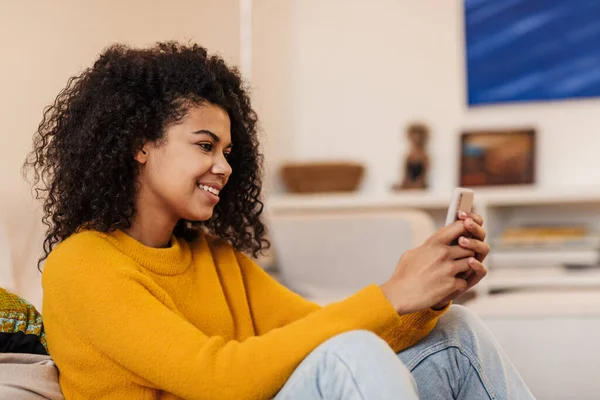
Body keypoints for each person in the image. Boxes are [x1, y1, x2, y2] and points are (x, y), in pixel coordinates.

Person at [24, 42, 535, 399]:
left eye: (227, 150)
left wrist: (428, 298)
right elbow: (218, 379)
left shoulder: (212, 256)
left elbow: (316, 330)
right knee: (350, 355)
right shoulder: (83, 265)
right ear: (138, 144)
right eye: (204, 145)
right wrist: (392, 293)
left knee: (456, 332)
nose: (224, 166)